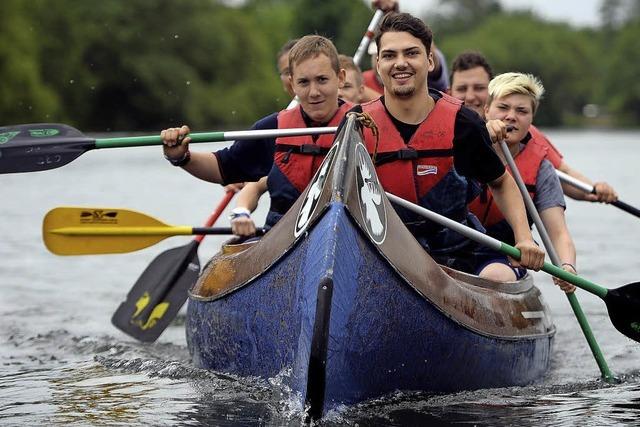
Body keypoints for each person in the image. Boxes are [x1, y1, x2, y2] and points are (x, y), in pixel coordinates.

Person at [359, 12, 545, 278]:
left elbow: (501, 182)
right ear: (378, 64)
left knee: (496, 276)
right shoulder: (358, 124)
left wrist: (524, 238)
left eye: (411, 53)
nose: (400, 63)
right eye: (389, 55)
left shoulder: (464, 123)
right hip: (388, 252)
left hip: (459, 253)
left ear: (430, 61)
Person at [161, 35, 352, 231]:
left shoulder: (365, 124)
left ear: (340, 78)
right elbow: (222, 167)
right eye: (304, 82)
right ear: (292, 84)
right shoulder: (273, 128)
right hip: (283, 239)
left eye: (322, 80)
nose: (313, 92)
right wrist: (181, 157)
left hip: (348, 233)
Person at [448, 51, 618, 204]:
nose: (470, 96)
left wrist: (594, 189)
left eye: (479, 88)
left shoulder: (524, 132)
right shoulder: (440, 128)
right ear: (449, 93)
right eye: (462, 89)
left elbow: (563, 173)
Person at [468, 72, 577, 289]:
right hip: (452, 243)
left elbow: (558, 232)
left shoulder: (542, 169)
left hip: (505, 254)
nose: (511, 116)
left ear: (531, 118)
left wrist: (567, 266)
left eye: (521, 111)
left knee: (495, 275)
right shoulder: (461, 147)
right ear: (486, 110)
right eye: (503, 107)